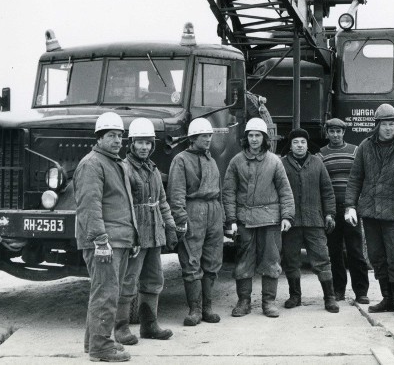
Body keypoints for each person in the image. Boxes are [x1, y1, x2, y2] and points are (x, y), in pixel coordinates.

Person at [345, 103, 394, 319]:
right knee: (376, 257)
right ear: (377, 125)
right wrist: (350, 205)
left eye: (392, 124)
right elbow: (355, 178)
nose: (389, 128)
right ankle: (387, 298)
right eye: (385, 124)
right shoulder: (365, 147)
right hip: (370, 213)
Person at [73, 112, 137, 363]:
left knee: (106, 292)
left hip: (118, 239)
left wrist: (131, 238)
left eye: (120, 136)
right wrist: (100, 240)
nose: (117, 140)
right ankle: (101, 348)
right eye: (111, 135)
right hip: (105, 241)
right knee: (106, 294)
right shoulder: (92, 164)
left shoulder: (115, 163)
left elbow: (125, 204)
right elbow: (89, 205)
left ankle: (94, 342)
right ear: (99, 138)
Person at [222, 117, 295, 318]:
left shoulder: (274, 162)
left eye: (258, 136)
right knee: (244, 261)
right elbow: (228, 192)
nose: (254, 139)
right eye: (251, 135)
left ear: (264, 138)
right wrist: (231, 220)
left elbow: (285, 190)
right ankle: (243, 301)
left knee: (271, 260)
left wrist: (287, 215)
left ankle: (268, 302)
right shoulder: (236, 162)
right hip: (245, 219)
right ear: (246, 138)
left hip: (270, 220)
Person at [114, 118, 178, 346]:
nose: (144, 147)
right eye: (140, 142)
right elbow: (122, 206)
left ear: (153, 145)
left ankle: (149, 325)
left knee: (153, 279)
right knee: (128, 281)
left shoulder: (153, 169)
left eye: (148, 143)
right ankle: (120, 328)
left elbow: (162, 202)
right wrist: (129, 236)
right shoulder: (124, 169)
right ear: (130, 143)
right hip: (135, 235)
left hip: (155, 232)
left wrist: (170, 228)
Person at [167, 117, 225, 327]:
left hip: (213, 212)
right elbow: (177, 193)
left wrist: (223, 219)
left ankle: (207, 308)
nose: (208, 139)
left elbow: (219, 192)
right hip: (194, 211)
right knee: (192, 261)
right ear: (192, 138)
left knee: (212, 261)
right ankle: (195, 309)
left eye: (209, 135)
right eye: (204, 136)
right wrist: (181, 219)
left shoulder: (211, 159)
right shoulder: (181, 160)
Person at [281, 127, 339, 313]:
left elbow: (327, 191)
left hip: (315, 221)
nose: (299, 145)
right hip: (291, 223)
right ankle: (295, 296)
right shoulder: (281, 164)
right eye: (296, 142)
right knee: (291, 260)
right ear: (290, 146)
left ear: (307, 145)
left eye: (303, 142)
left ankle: (329, 297)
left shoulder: (317, 163)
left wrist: (330, 214)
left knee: (322, 259)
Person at [319, 117, 370, 304]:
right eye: (331, 131)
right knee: (334, 252)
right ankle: (338, 290)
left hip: (351, 210)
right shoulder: (321, 155)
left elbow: (361, 179)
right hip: (332, 211)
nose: (335, 135)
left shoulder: (355, 151)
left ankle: (361, 292)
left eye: (338, 131)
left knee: (355, 251)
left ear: (343, 133)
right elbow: (322, 185)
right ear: (327, 133)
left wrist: (357, 205)